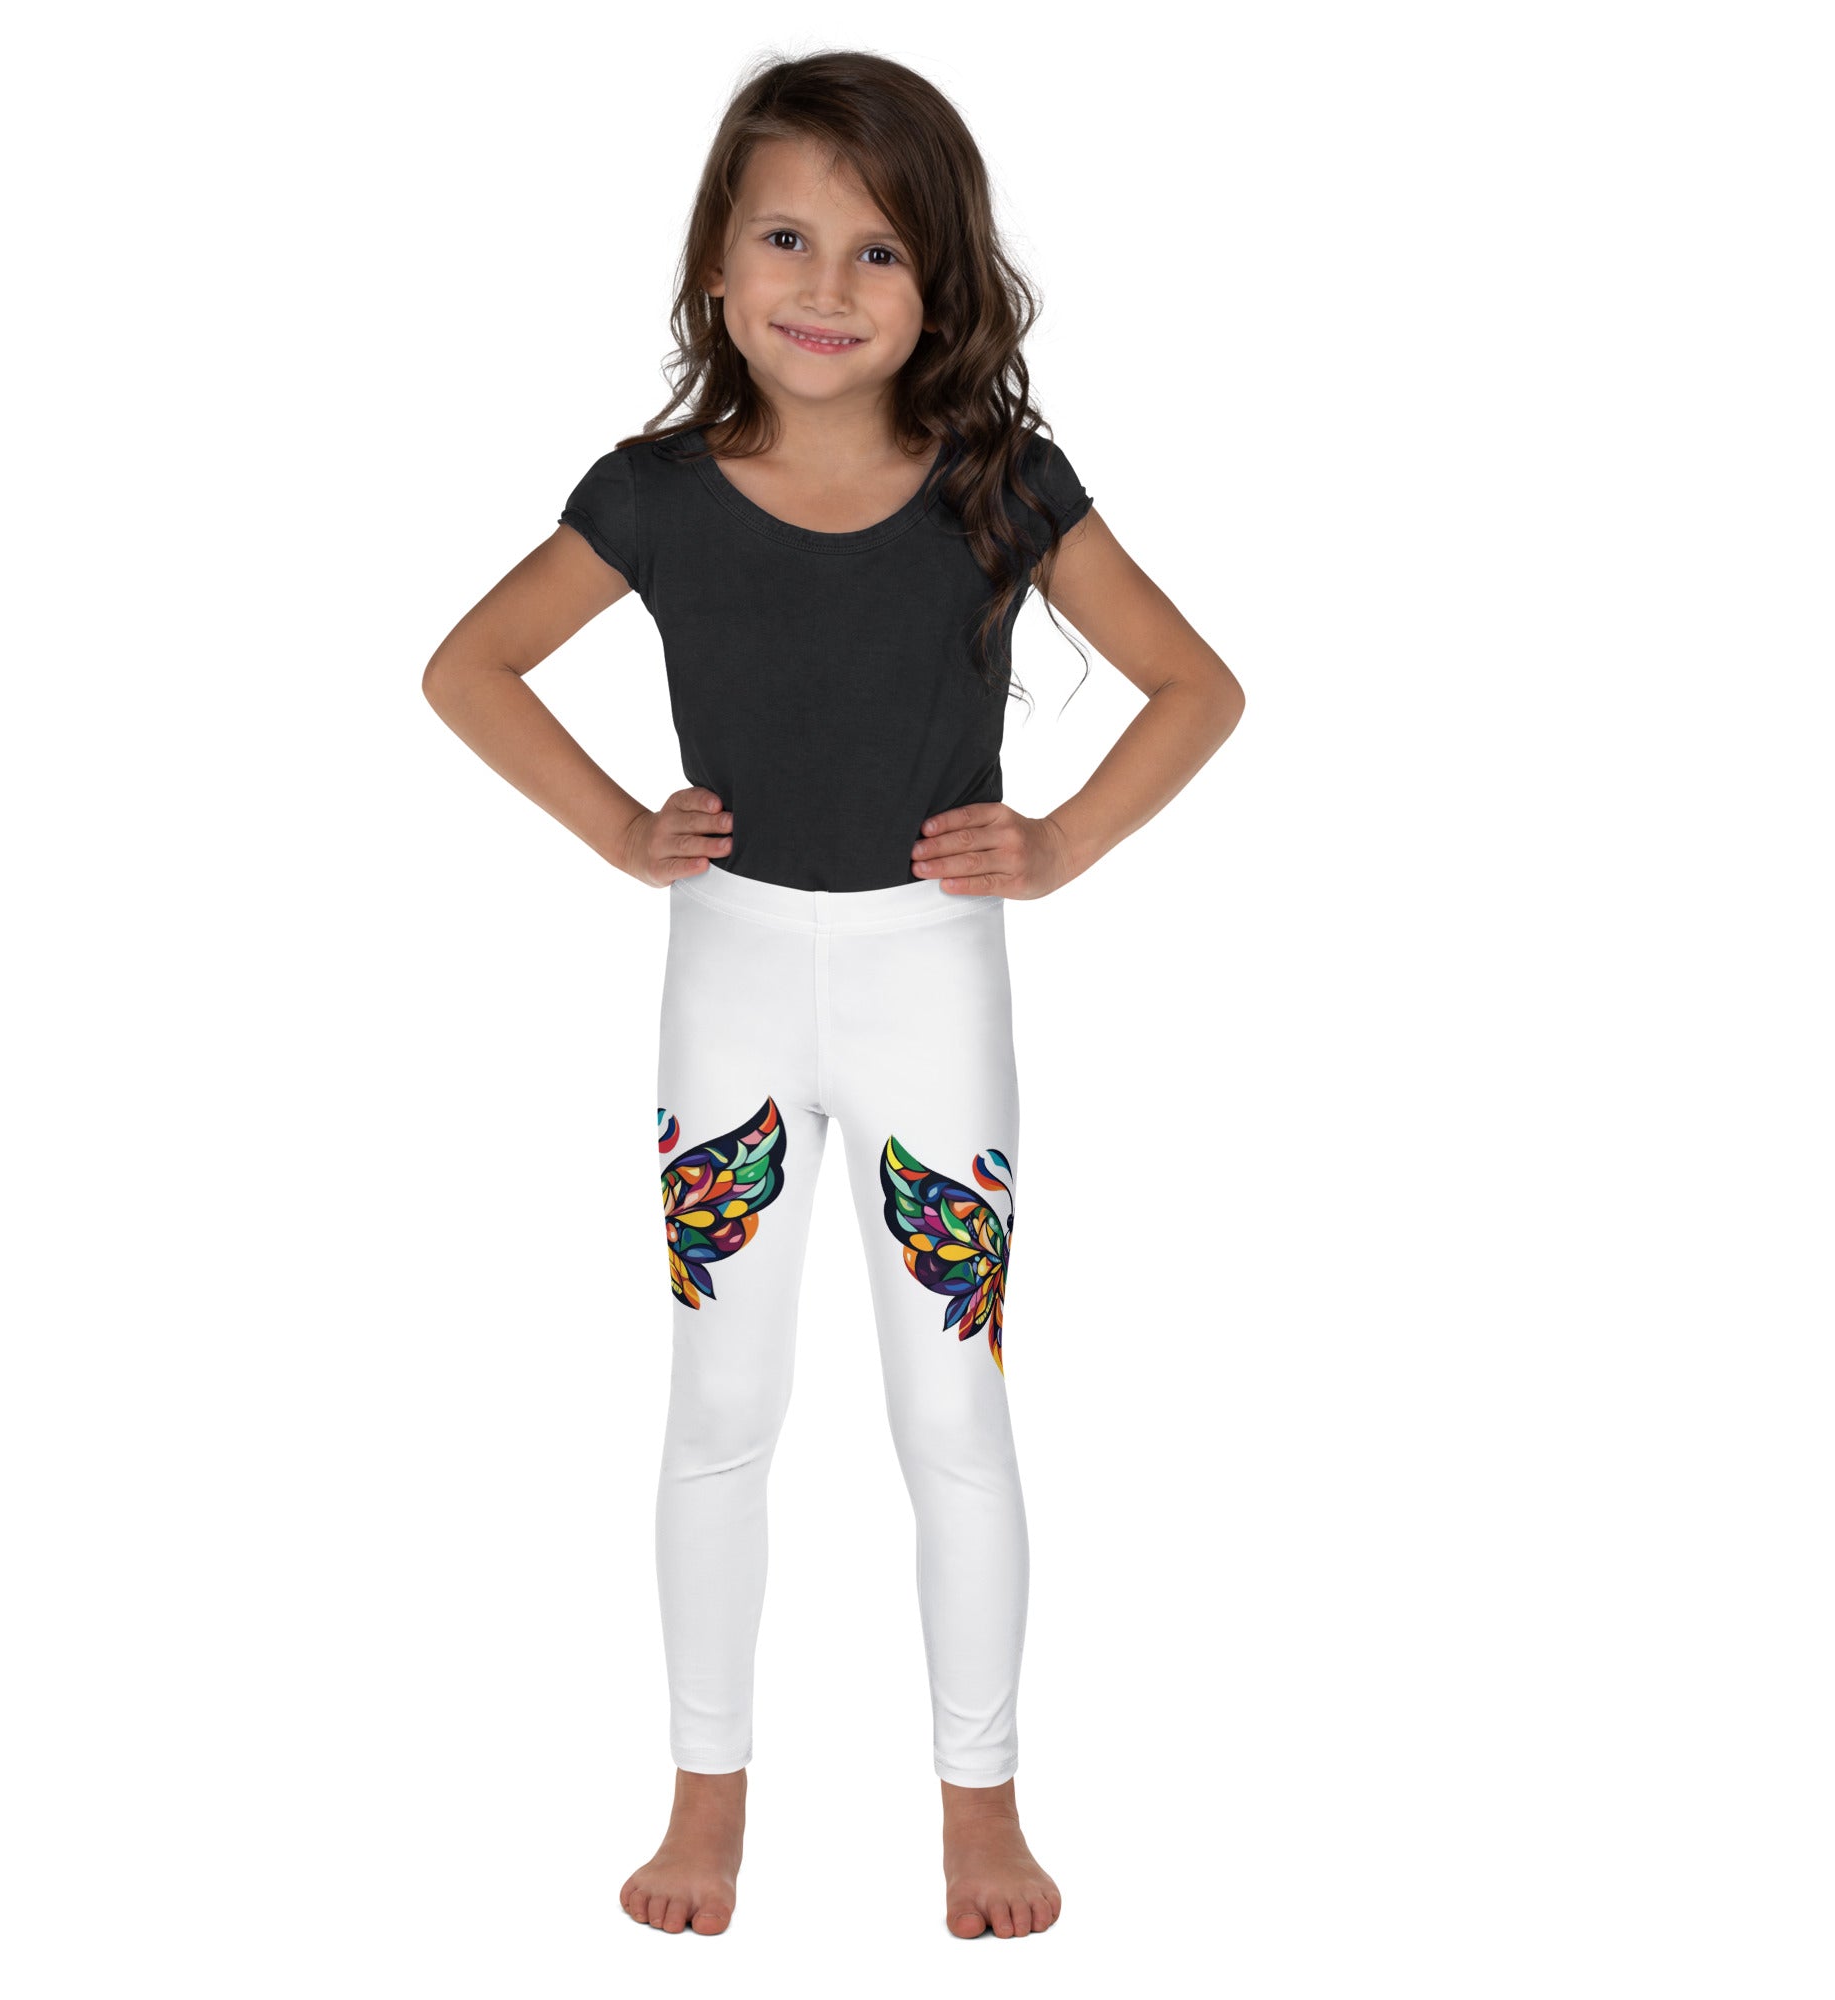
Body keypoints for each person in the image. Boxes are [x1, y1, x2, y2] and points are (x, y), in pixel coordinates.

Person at [422, 50, 1244, 1941]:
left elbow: (1198, 686)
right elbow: (469, 666)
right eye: (786, 238)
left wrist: (1060, 843)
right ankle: (704, 1795)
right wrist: (621, 828)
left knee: (952, 1407)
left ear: (940, 287)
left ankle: (983, 1802)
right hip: (727, 970)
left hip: (926, 975)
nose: (826, 285)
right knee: (721, 1394)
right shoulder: (651, 496)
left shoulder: (999, 485)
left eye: (879, 251)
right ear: (716, 265)